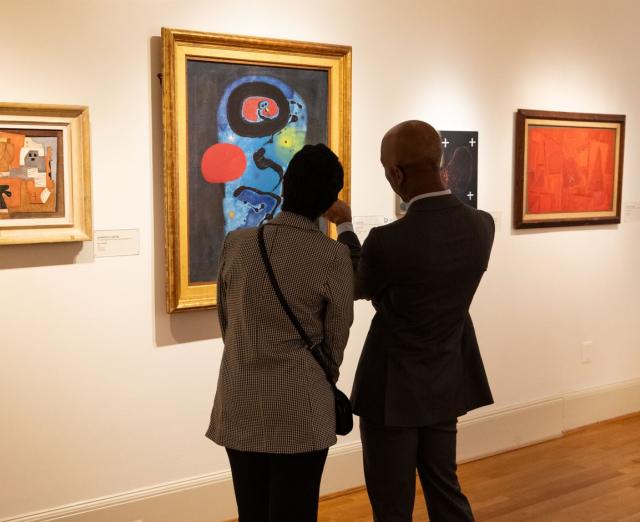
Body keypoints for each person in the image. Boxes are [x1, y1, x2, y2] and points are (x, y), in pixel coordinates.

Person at [326, 120, 495, 522]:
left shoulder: (388, 241)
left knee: (392, 503)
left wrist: (346, 226)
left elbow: (353, 285)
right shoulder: (482, 225)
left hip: (391, 390)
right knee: (445, 488)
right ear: (439, 162)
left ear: (396, 174)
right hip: (445, 380)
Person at [206, 143, 354, 522]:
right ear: (329, 201)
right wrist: (325, 372)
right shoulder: (331, 255)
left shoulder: (237, 244)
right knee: (295, 512)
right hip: (301, 406)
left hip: (240, 399)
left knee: (251, 512)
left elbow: (227, 322)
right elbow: (337, 337)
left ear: (285, 185)